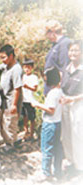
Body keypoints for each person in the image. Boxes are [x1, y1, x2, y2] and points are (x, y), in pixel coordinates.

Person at [32, 67, 63, 181]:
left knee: (46, 148)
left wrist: (37, 104)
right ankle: (57, 171)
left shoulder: (52, 93)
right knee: (57, 148)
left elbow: (51, 109)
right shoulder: (60, 91)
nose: (44, 78)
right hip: (58, 123)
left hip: (50, 124)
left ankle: (45, 173)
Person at [0, 44, 23, 147]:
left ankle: (12, 144)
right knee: (2, 123)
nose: (2, 60)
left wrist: (14, 105)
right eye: (0, 58)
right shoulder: (5, 66)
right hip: (3, 101)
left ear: (11, 56)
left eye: (4, 57)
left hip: (11, 101)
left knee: (10, 123)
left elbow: (17, 88)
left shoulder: (16, 69)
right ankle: (9, 142)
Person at [60, 40, 83, 171]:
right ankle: (70, 160)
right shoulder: (66, 69)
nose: (72, 53)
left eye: (76, 50)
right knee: (66, 134)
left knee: (78, 134)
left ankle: (80, 166)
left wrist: (73, 99)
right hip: (65, 104)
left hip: (78, 105)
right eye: (71, 50)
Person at [44, 20, 71, 95]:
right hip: (50, 88)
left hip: (57, 90)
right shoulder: (55, 45)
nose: (47, 37)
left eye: (47, 33)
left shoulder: (65, 43)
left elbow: (64, 67)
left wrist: (61, 87)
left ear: (52, 32)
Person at [21, 60, 38, 140]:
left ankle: (31, 133)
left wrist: (27, 86)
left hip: (30, 100)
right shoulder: (22, 77)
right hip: (23, 100)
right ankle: (26, 132)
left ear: (32, 68)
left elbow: (35, 89)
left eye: (28, 67)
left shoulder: (34, 77)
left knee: (32, 118)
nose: (27, 69)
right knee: (25, 117)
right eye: (25, 67)